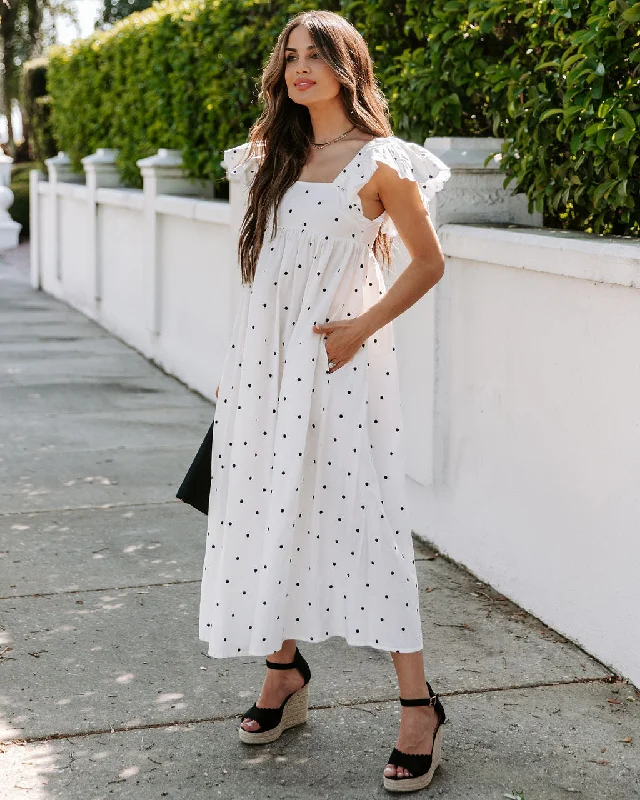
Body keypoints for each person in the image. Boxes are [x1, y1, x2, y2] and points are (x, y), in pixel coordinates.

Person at [199, 9, 451, 793]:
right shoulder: (266, 157)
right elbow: (260, 274)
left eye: (315, 55)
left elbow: (428, 264)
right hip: (264, 369)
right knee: (265, 509)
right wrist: (235, 365)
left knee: (366, 523)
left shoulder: (379, 161)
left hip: (344, 367)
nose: (299, 68)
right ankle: (284, 672)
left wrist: (357, 328)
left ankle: (420, 705)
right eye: (290, 57)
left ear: (348, 67)